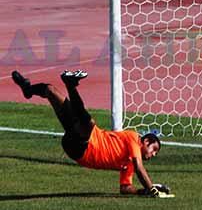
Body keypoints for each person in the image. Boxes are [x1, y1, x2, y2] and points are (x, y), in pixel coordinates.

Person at [11, 69, 172, 198]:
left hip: (81, 148)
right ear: (145, 142)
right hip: (82, 138)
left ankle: (70, 84)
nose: (154, 154)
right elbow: (139, 168)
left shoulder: (128, 164)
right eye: (154, 149)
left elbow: (125, 188)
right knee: (50, 90)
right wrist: (151, 189)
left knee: (89, 123)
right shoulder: (133, 138)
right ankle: (28, 89)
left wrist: (141, 191)